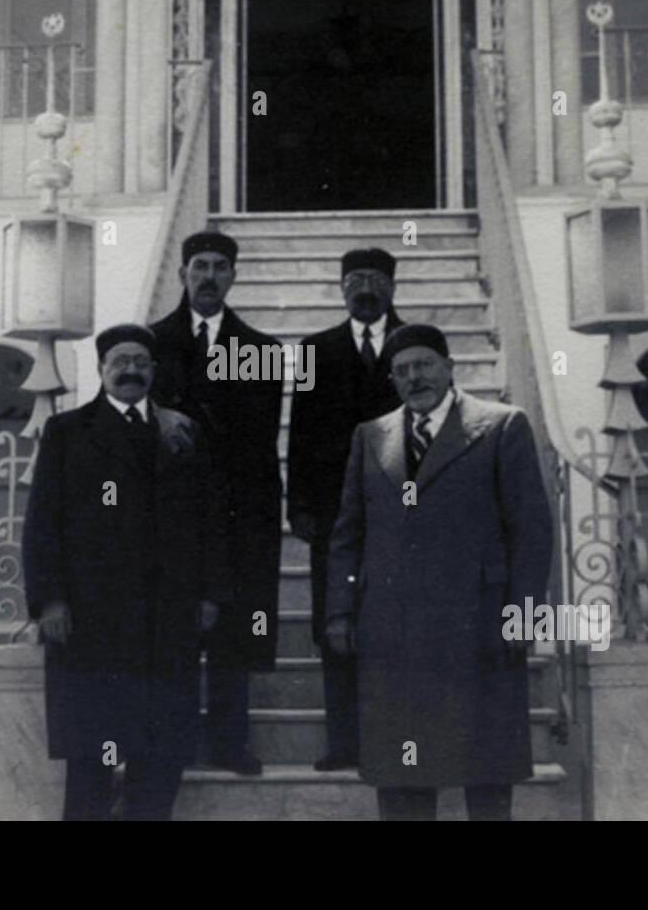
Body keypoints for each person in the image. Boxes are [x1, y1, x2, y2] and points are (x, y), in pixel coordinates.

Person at [325, 324, 552, 820]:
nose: (414, 377)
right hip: (394, 632)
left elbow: (532, 533)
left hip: (479, 626)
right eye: (402, 370)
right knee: (401, 772)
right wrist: (341, 612)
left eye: (424, 365)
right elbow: (348, 533)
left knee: (486, 770)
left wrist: (524, 616)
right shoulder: (371, 436)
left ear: (449, 368)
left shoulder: (502, 426)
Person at [24, 324, 229, 820]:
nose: (131, 370)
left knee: (160, 762)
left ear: (154, 370)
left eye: (140, 361)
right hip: (94, 627)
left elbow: (209, 520)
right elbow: (43, 522)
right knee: (93, 761)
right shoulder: (69, 432)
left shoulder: (183, 430)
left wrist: (209, 594)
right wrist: (50, 600)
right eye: (120, 361)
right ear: (101, 370)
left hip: (167, 625)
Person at [149, 231, 282, 776]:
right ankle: (172, 745)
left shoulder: (260, 351)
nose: (208, 276)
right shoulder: (152, 345)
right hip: (172, 514)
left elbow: (257, 441)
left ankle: (231, 743)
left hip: (236, 510)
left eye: (220, 267)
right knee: (174, 632)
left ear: (233, 275)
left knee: (234, 629)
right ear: (183, 273)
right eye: (199, 266)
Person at [287, 247, 402, 771]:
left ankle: (393, 737)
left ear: (391, 288)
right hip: (334, 518)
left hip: (401, 513)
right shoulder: (316, 351)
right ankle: (343, 742)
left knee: (396, 623)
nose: (364, 288)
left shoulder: (414, 347)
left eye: (375, 279)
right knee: (334, 623)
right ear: (340, 287)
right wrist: (301, 509)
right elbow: (302, 435)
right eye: (355, 278)